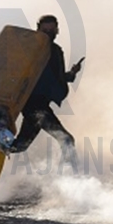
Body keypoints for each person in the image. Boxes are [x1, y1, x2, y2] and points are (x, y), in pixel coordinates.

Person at [10, 15, 84, 165]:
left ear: (57, 30)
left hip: (42, 104)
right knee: (66, 139)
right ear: (38, 30)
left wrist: (72, 73)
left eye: (52, 30)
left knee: (20, 145)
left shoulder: (55, 51)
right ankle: (73, 176)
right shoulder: (30, 48)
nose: (49, 34)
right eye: (45, 31)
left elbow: (56, 77)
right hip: (33, 105)